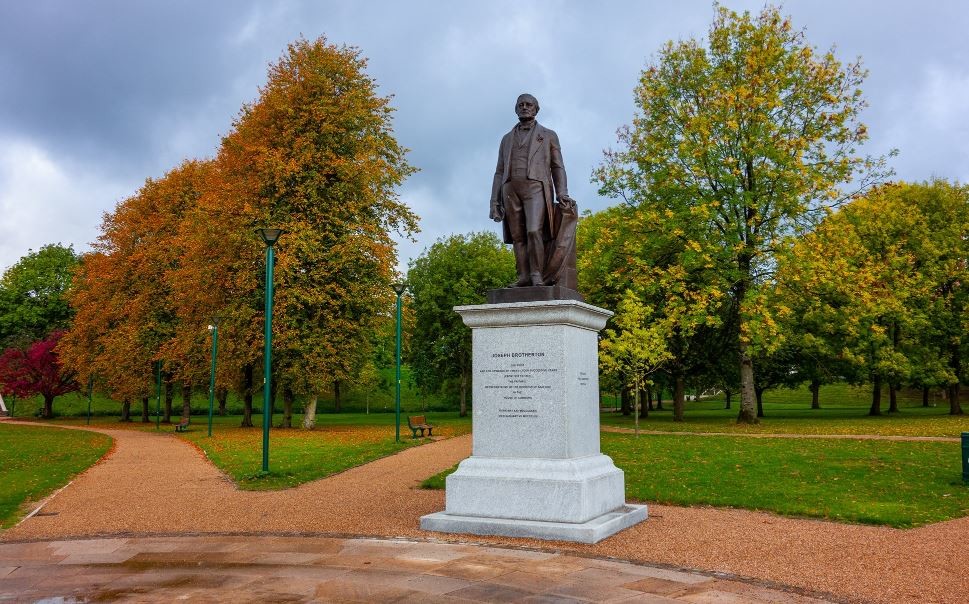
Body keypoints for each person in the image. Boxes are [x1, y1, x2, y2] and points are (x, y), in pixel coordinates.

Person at [490, 94, 578, 288]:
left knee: (533, 231)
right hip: (510, 189)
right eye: (520, 105)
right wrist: (494, 202)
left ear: (536, 109)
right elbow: (499, 171)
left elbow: (557, 166)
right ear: (516, 109)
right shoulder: (506, 139)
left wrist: (562, 192)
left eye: (528, 104)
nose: (524, 107)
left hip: (536, 187)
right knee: (517, 236)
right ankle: (523, 276)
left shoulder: (548, 135)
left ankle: (536, 274)